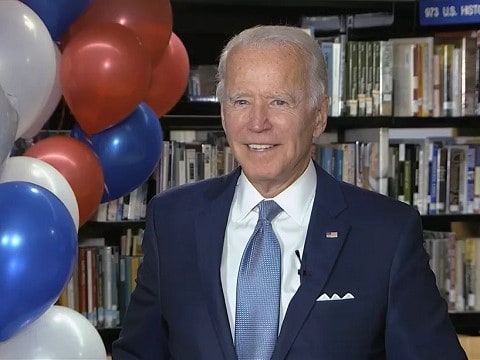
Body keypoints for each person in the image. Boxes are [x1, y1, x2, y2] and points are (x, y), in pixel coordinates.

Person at [112, 25, 466, 359]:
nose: (257, 122)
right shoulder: (172, 220)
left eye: (279, 101)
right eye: (241, 102)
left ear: (319, 116)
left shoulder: (386, 233)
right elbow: (139, 353)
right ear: (222, 115)